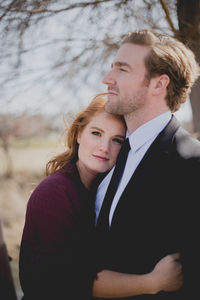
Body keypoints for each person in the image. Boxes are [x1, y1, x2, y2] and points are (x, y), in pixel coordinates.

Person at [19, 93, 183, 300]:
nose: (104, 148)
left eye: (117, 140)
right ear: (79, 134)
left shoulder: (106, 191)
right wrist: (153, 282)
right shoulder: (54, 193)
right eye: (96, 133)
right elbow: (60, 281)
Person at [95, 29, 200, 300]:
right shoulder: (108, 154)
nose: (108, 79)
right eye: (112, 67)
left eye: (123, 69)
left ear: (158, 84)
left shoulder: (192, 165)